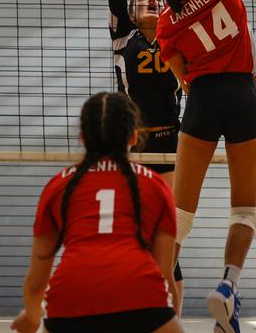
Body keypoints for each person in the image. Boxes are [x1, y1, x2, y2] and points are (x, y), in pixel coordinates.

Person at [154, 0, 256, 333]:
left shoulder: (166, 25)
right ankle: (228, 286)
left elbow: (178, 73)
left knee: (182, 210)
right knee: (244, 208)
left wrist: (194, 81)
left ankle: (152, 288)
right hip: (242, 94)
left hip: (201, 99)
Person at [11, 92, 182, 333]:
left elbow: (35, 284)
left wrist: (30, 318)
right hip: (139, 294)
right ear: (134, 136)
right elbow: (166, 279)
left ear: (83, 137)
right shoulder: (156, 186)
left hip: (70, 299)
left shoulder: (58, 186)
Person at [100, 0, 190, 310]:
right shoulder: (123, 38)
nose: (152, 1)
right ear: (132, 14)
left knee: (167, 225)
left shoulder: (176, 29)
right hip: (134, 142)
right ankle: (130, 299)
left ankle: (169, 305)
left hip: (172, 138)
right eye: (144, 1)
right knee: (135, 224)